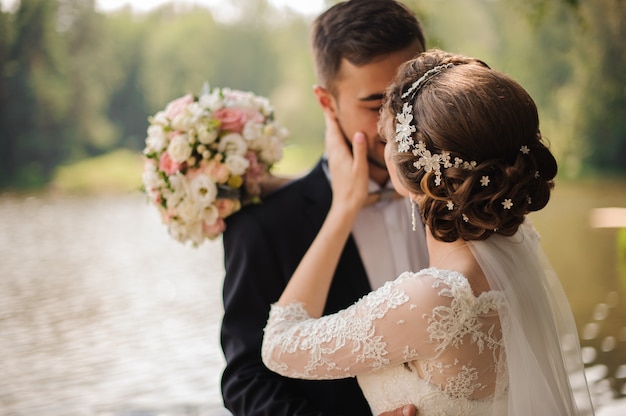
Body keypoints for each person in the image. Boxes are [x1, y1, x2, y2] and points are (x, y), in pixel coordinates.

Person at [261, 49, 596, 415]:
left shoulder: (436, 298)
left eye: (387, 139)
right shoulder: (517, 245)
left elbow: (278, 346)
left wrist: (343, 208)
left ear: (408, 167)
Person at [219, 1, 428, 415]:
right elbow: (246, 382)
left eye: (413, 95)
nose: (399, 122)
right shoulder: (263, 224)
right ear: (326, 102)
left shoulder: (467, 192)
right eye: (374, 105)